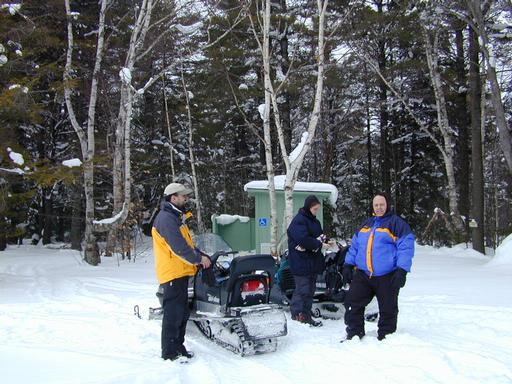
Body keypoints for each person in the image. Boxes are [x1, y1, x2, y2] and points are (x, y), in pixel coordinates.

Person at [342, 193, 415, 341]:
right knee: (353, 302)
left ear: (387, 205)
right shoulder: (366, 224)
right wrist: (348, 264)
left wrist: (402, 270)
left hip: (387, 275)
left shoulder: (397, 224)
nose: (379, 208)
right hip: (364, 274)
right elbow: (355, 246)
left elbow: (406, 248)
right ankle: (354, 333)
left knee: (388, 308)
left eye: (382, 204)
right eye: (376, 205)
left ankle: (386, 336)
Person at [152, 183, 211, 361]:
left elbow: (187, 245)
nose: (186, 198)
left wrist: (200, 255)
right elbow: (178, 248)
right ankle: (170, 353)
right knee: (173, 314)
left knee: (182, 313)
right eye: (182, 195)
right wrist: (199, 260)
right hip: (173, 273)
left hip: (181, 272)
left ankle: (178, 348)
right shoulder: (166, 219)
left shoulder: (176, 217)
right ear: (173, 197)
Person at [287, 195, 331, 327]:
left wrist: (327, 241)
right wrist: (318, 244)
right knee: (302, 289)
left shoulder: (314, 222)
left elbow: (319, 236)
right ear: (308, 207)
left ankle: (306, 313)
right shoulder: (299, 221)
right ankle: (297, 314)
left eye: (317, 209)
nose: (316, 211)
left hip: (312, 262)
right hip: (300, 262)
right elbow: (303, 239)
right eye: (314, 208)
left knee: (310, 290)